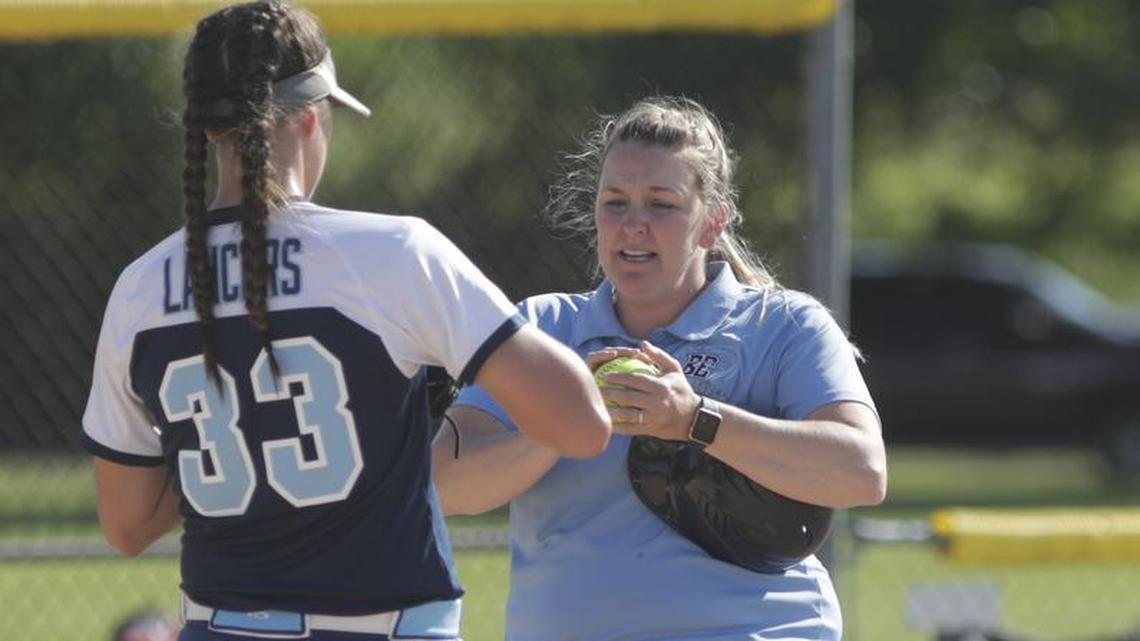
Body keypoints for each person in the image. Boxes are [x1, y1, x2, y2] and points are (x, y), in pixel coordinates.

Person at [81, 2, 611, 640]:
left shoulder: (140, 288)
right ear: (311, 116)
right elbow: (581, 425)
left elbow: (128, 525)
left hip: (219, 627)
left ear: (207, 130)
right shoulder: (393, 255)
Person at [432, 96, 887, 641]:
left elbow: (862, 472)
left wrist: (695, 419)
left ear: (712, 223)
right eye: (615, 203)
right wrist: (567, 424)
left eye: (661, 205)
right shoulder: (541, 328)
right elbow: (447, 487)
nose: (634, 225)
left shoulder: (783, 323)